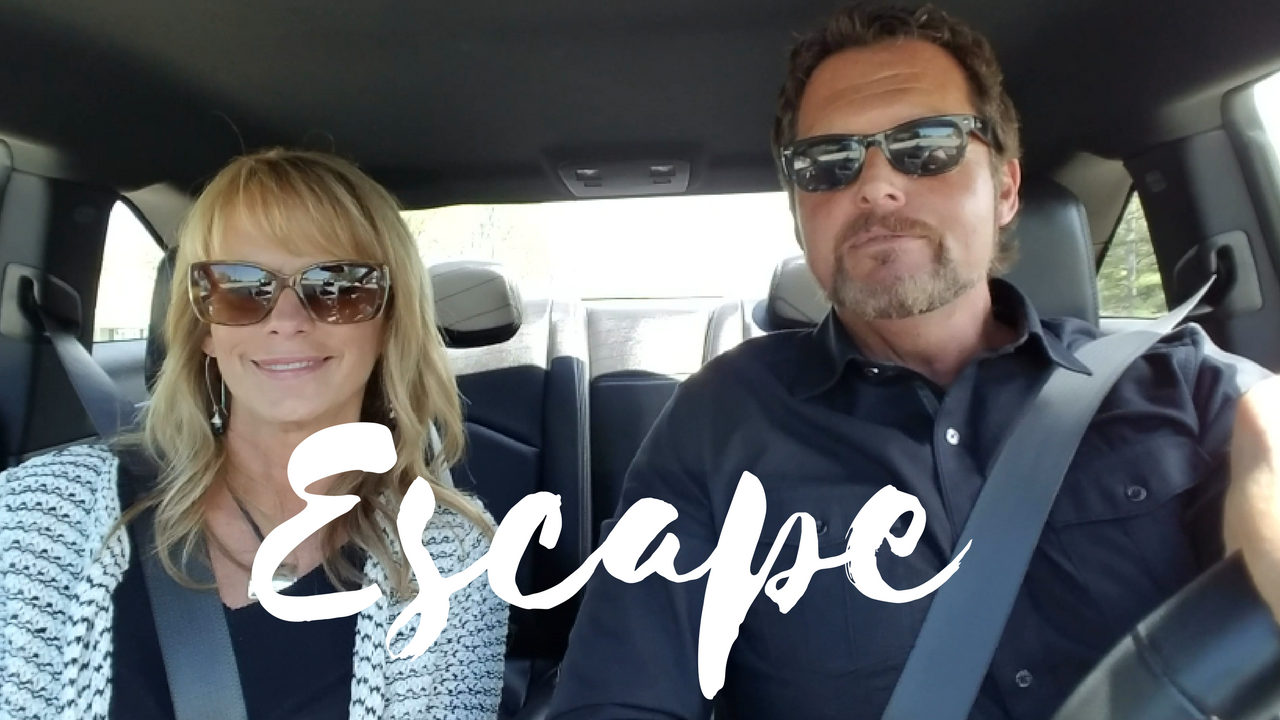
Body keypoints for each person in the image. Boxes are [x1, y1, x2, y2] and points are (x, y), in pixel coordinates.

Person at [547, 4, 1280, 719]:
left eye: (926, 145)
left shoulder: (1176, 383)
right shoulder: (718, 426)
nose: (874, 185)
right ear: (800, 214)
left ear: (1005, 189)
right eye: (827, 162)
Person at [0, 149, 507, 719]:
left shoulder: (450, 557)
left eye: (337, 285)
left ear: (390, 321)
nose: (286, 320)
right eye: (240, 286)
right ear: (204, 328)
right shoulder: (44, 513)